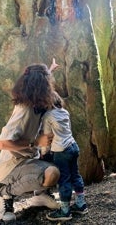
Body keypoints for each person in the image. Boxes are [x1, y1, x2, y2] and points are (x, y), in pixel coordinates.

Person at [0, 60, 60, 222]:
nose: (51, 85)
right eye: (47, 81)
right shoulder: (24, 110)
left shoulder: (36, 102)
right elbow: (2, 144)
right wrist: (35, 143)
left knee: (65, 157)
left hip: (29, 160)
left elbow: (40, 79)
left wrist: (50, 70)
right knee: (52, 173)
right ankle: (5, 195)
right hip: (11, 167)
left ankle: (40, 196)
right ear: (41, 86)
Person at [39, 91, 88, 222]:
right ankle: (80, 204)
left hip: (61, 151)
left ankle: (65, 211)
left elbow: (47, 137)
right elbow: (69, 130)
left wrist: (44, 153)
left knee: (64, 180)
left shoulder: (47, 116)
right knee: (75, 175)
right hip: (73, 146)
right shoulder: (65, 112)